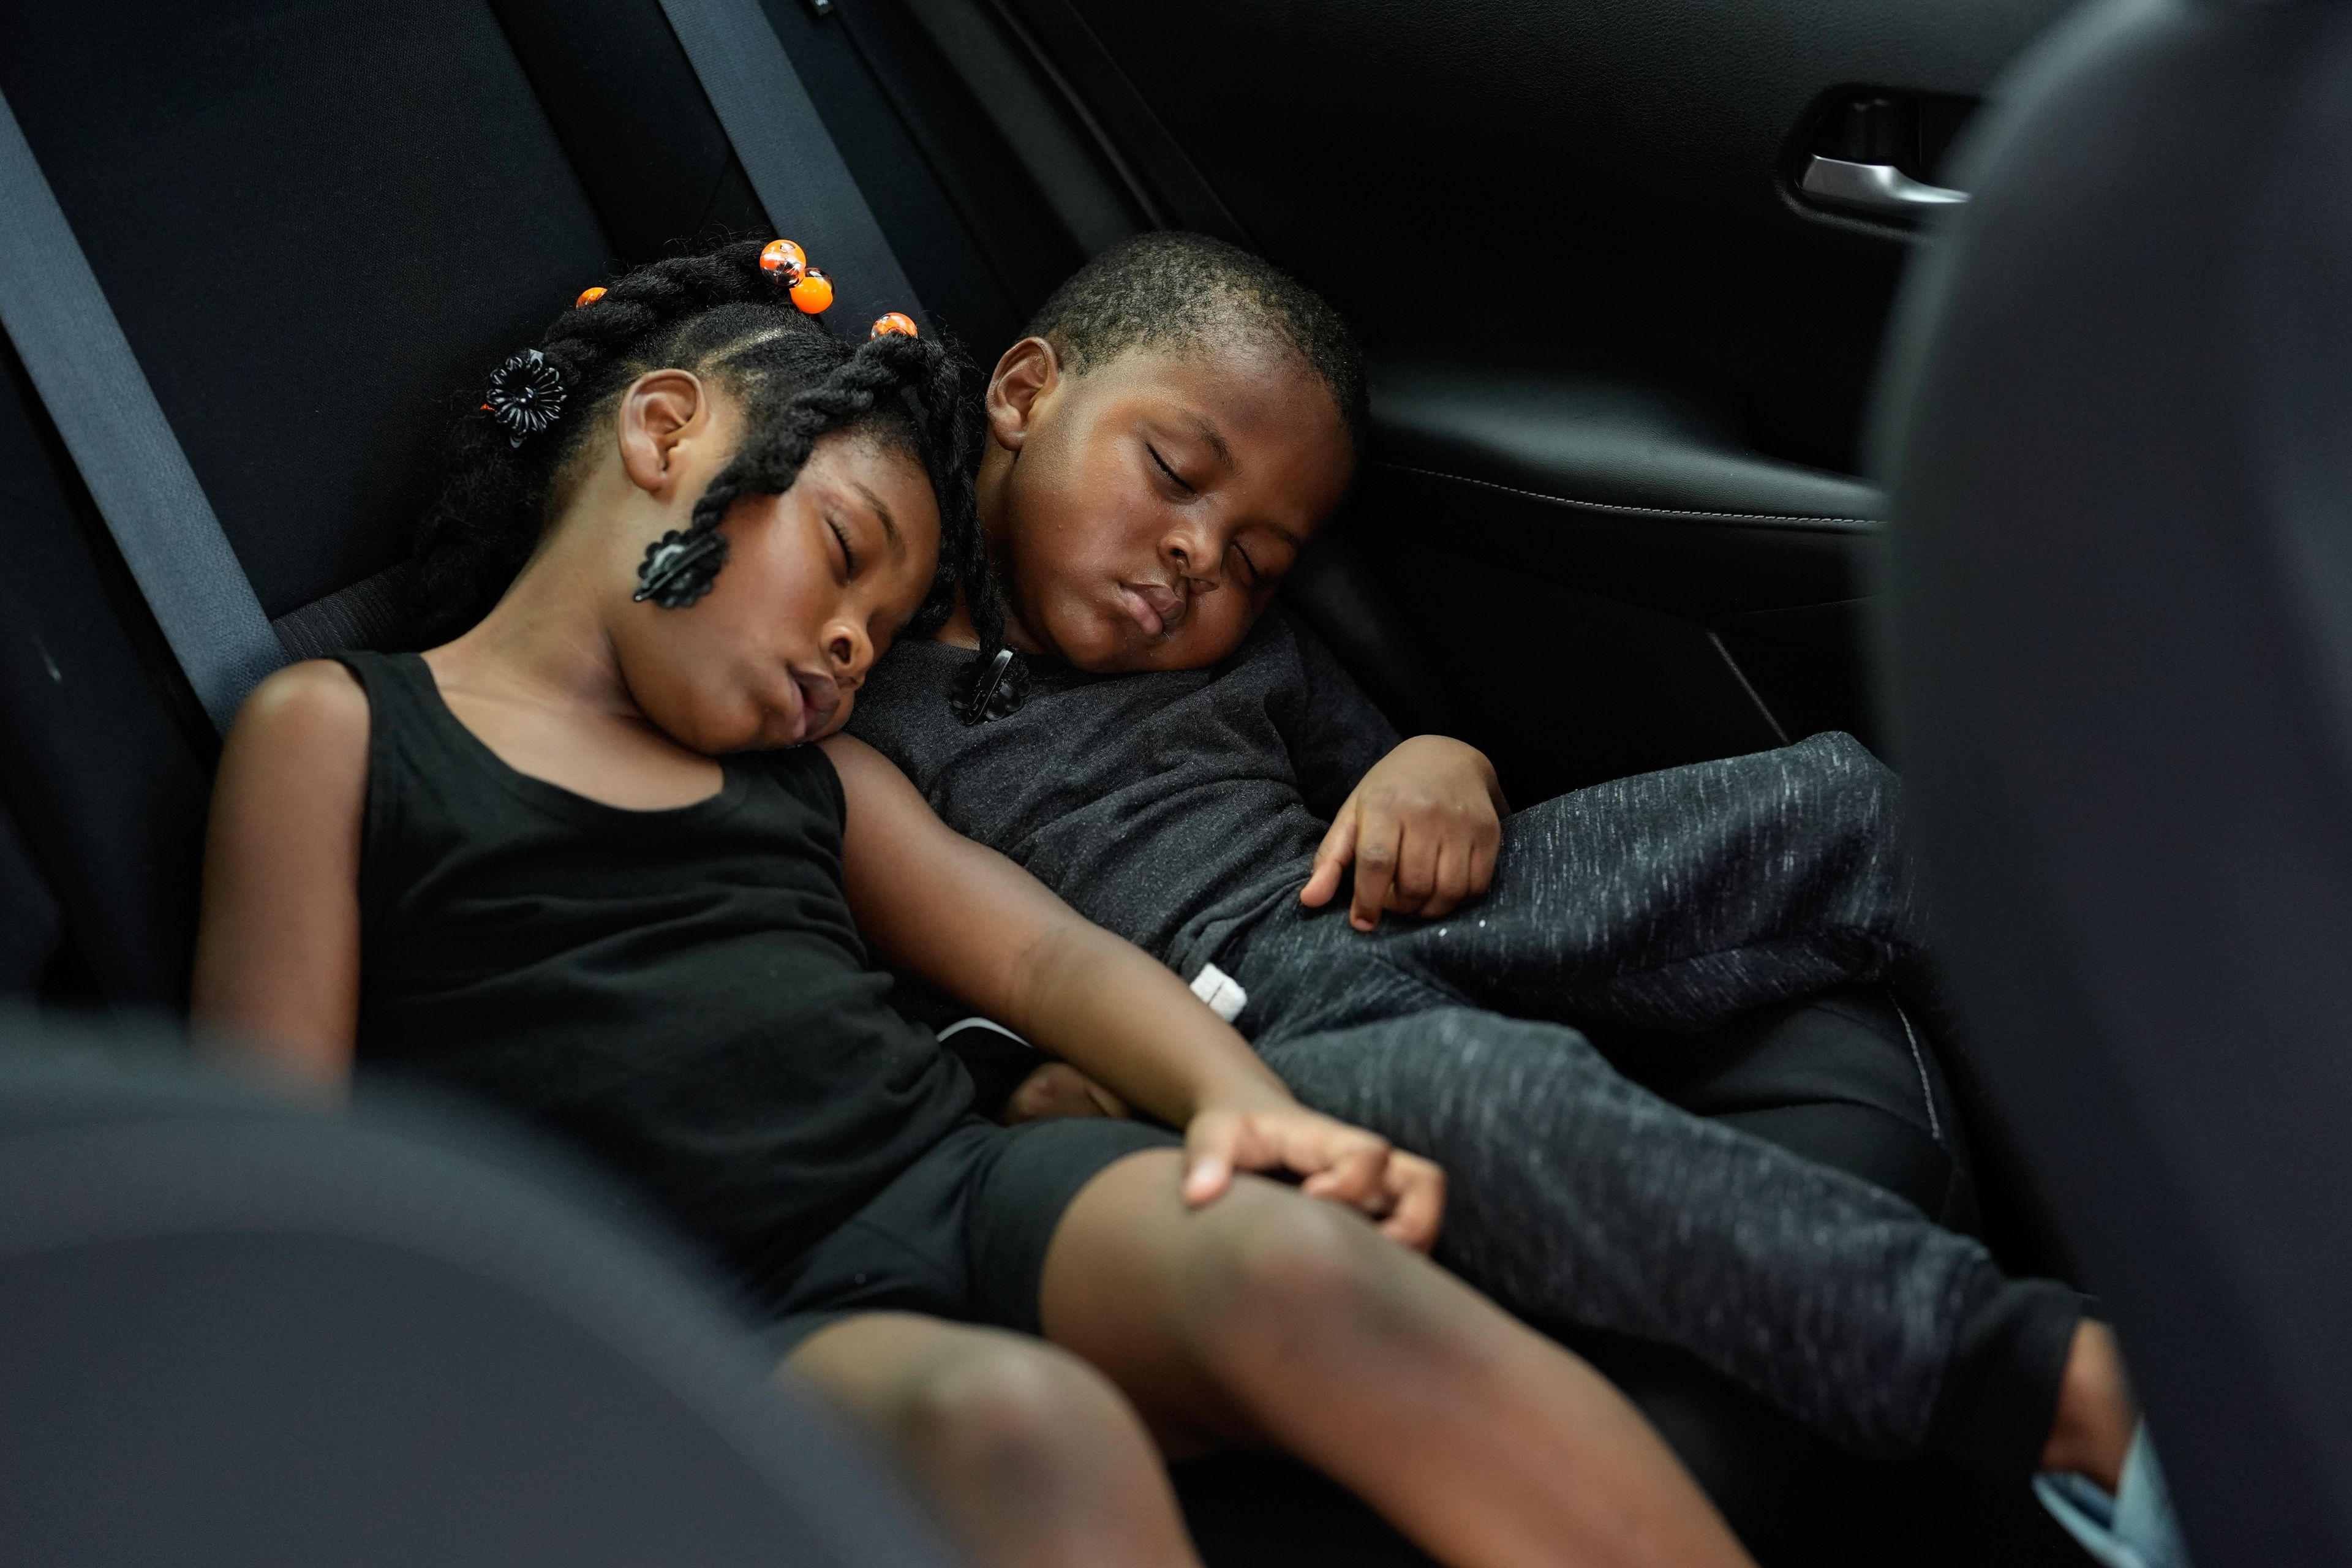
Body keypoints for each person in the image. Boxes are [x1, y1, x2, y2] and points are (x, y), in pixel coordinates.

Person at [187, 241, 1758, 1568]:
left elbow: (1048, 952)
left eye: (884, 627)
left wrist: (1240, 1105)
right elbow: (278, 1173)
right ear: (665, 430)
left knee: (1297, 1262)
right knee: (1024, 1425)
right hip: (720, 1315)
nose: (854, 652)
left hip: (954, 1182)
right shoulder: (342, 734)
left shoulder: (819, 782)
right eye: (845, 555)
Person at [843, 230, 2141, 1497]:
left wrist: (1441, 764)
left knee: (1849, 805)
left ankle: (2189, 1219)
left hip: (1379, 907)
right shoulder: (855, 694)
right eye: (1175, 471)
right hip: (1220, 1038)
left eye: (1256, 560)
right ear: (1023, 392)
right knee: (1483, 1085)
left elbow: (1395, 771)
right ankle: (2061, 1391)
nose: (1201, 552)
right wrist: (1025, 1083)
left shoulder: (1248, 657)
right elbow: (883, 979)